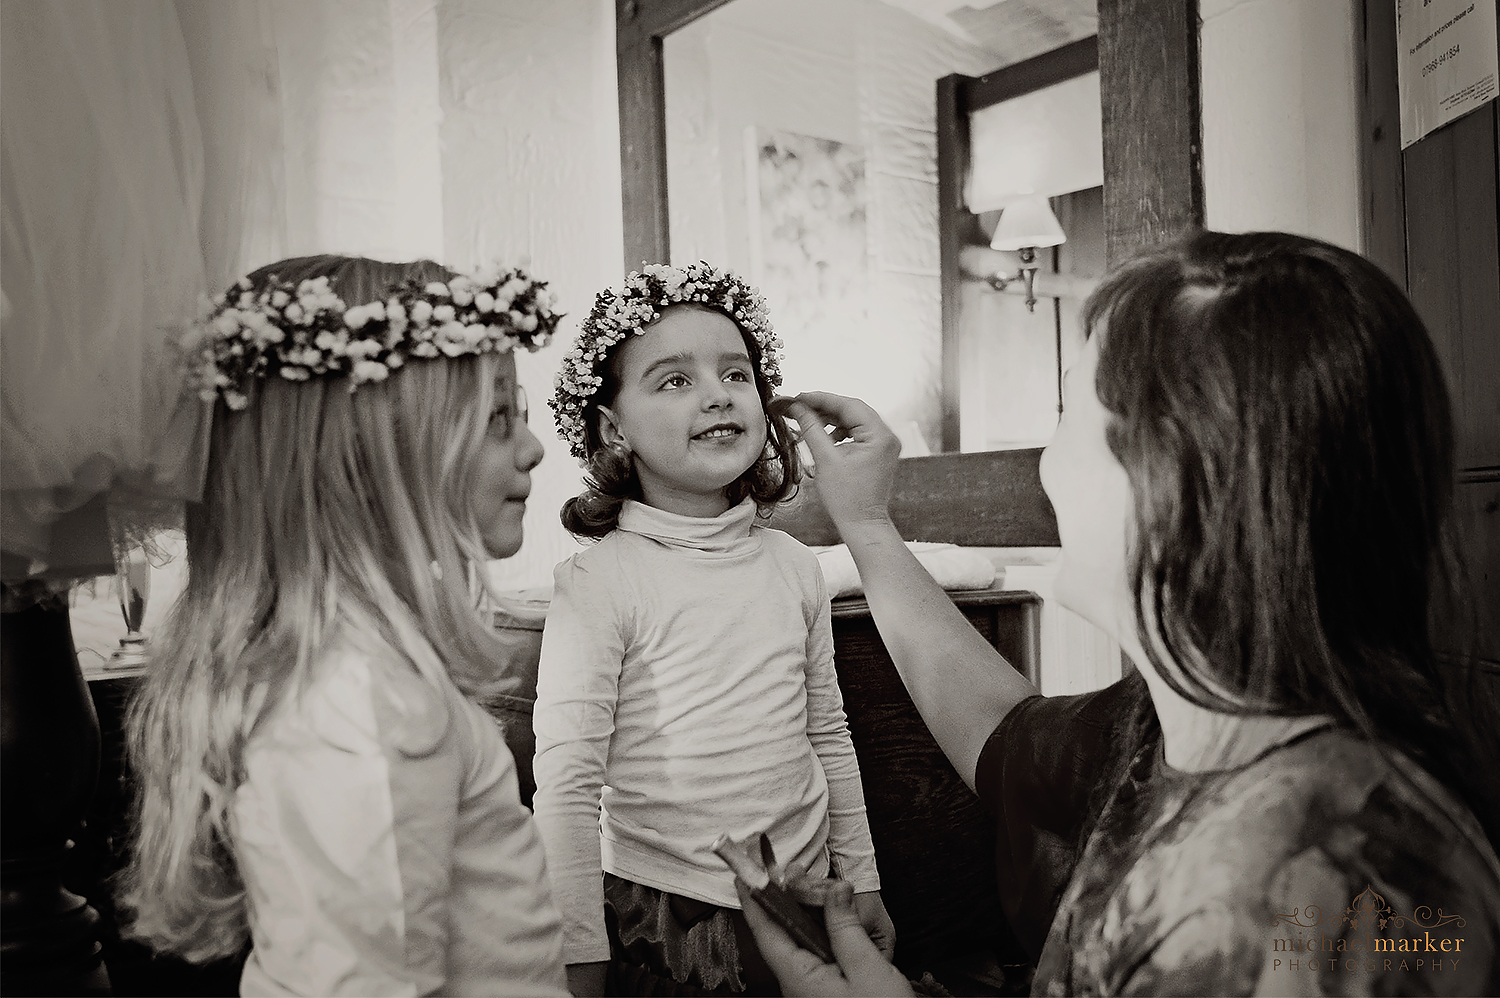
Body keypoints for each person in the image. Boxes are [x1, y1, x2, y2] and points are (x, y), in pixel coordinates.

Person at [736, 230, 1500, 996]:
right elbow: (1004, 740)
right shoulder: (1187, 724)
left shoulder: (1289, 895)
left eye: (1071, 408)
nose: (1048, 463)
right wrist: (867, 526)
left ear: (1170, 480)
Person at [119, 255, 571, 996]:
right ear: (373, 453)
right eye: (496, 418)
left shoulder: (362, 673)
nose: (531, 446)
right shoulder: (360, 701)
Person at [533, 262, 893, 996]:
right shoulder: (599, 582)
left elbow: (827, 732)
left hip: (805, 894)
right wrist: (577, 949)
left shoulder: (792, 564)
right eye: (673, 380)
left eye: (736, 372)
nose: (717, 393)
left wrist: (861, 876)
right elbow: (568, 781)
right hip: (668, 911)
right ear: (613, 427)